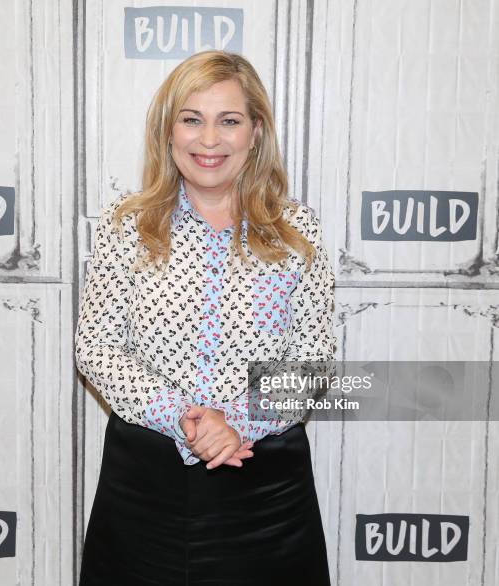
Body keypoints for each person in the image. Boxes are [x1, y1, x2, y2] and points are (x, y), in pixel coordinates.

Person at [75, 50, 336, 586]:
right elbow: (96, 348)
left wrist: (236, 420)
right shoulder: (127, 225)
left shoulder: (298, 230)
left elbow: (315, 364)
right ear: (168, 131)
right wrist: (187, 420)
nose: (209, 140)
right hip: (144, 489)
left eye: (229, 121)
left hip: (266, 494)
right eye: (192, 119)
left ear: (255, 132)